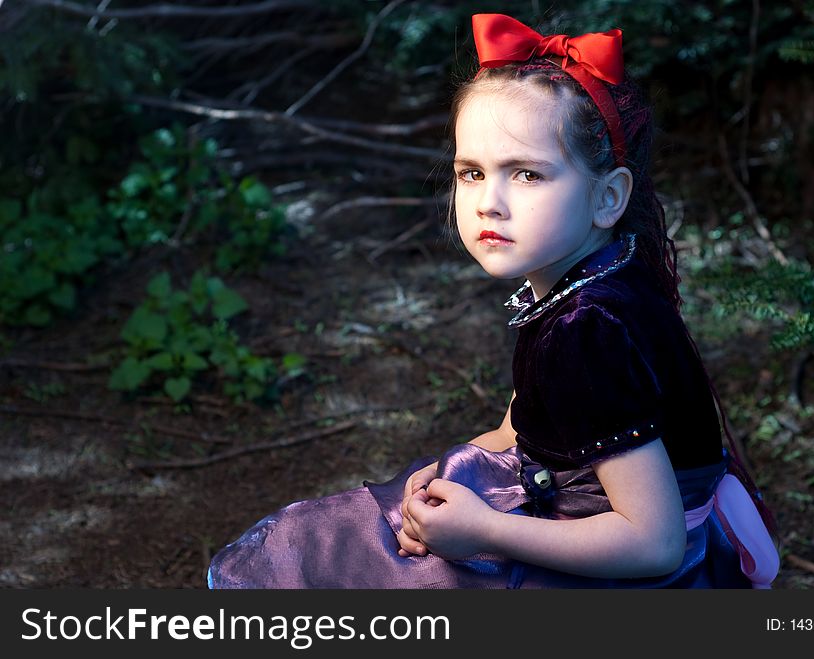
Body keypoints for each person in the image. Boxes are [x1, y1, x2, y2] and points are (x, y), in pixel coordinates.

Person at [208, 13, 779, 589]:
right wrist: (453, 471)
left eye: (527, 174)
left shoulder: (589, 328)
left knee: (322, 562)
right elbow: (523, 425)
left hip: (616, 557)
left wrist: (482, 530)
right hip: (567, 495)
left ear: (608, 197)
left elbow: (654, 543)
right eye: (472, 173)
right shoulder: (597, 279)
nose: (489, 202)